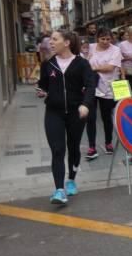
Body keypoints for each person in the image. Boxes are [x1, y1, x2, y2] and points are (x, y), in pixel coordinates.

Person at [36, 30, 95, 205]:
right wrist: (42, 91)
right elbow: (43, 85)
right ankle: (59, 190)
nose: (50, 43)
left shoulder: (82, 64)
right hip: (54, 112)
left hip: (76, 112)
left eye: (55, 39)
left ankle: (71, 179)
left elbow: (91, 86)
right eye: (50, 40)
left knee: (73, 147)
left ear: (67, 42)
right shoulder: (48, 64)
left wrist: (85, 104)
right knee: (57, 149)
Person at [86, 27, 123, 160]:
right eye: (103, 39)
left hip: (108, 87)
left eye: (108, 39)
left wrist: (93, 68)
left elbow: (110, 68)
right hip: (91, 87)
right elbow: (82, 62)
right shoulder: (90, 48)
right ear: (97, 39)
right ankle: (91, 146)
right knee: (90, 118)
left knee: (106, 117)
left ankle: (108, 143)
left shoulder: (116, 50)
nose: (106, 41)